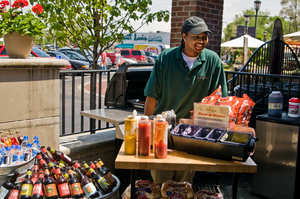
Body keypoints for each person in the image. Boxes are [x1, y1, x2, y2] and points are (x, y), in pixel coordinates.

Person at [144, 16, 228, 183]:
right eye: (196, 37)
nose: (201, 41)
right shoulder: (165, 59)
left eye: (204, 37)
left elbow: (221, 102)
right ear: (183, 36)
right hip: (163, 132)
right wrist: (148, 132)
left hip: (192, 135)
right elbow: (151, 97)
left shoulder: (213, 61)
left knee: (183, 184)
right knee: (161, 182)